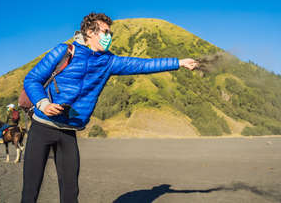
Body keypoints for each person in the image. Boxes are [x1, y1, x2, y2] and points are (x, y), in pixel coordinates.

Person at [21, 12, 198, 203]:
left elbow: (142, 64)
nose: (109, 37)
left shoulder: (108, 62)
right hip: (42, 126)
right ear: (90, 32)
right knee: (31, 190)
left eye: (110, 33)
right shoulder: (64, 51)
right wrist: (43, 103)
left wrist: (179, 63)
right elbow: (32, 79)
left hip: (68, 131)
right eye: (105, 32)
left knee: (71, 193)